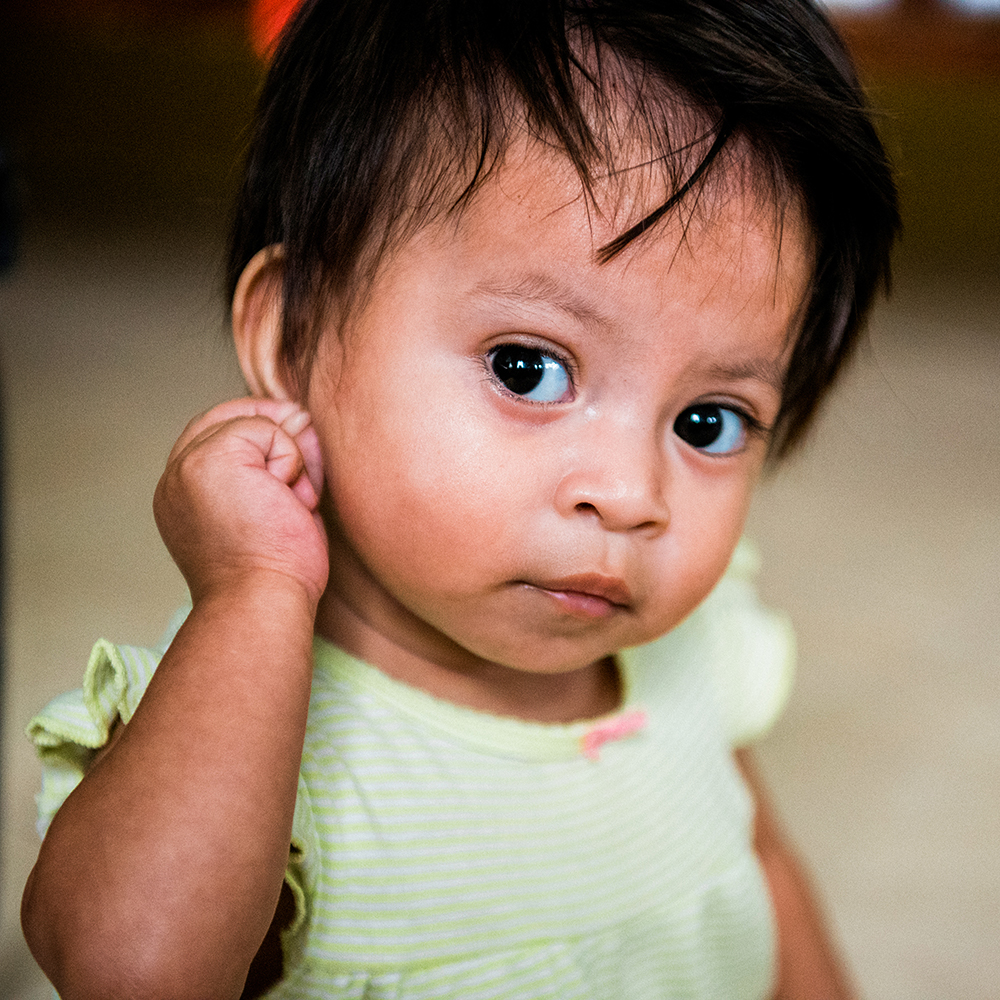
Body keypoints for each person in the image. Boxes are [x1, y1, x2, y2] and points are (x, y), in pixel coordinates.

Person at [20, 1, 899, 997]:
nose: (627, 494)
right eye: (528, 368)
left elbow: (756, 866)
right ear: (293, 337)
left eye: (707, 422)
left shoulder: (687, 646)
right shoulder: (241, 718)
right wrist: (252, 592)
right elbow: (134, 970)